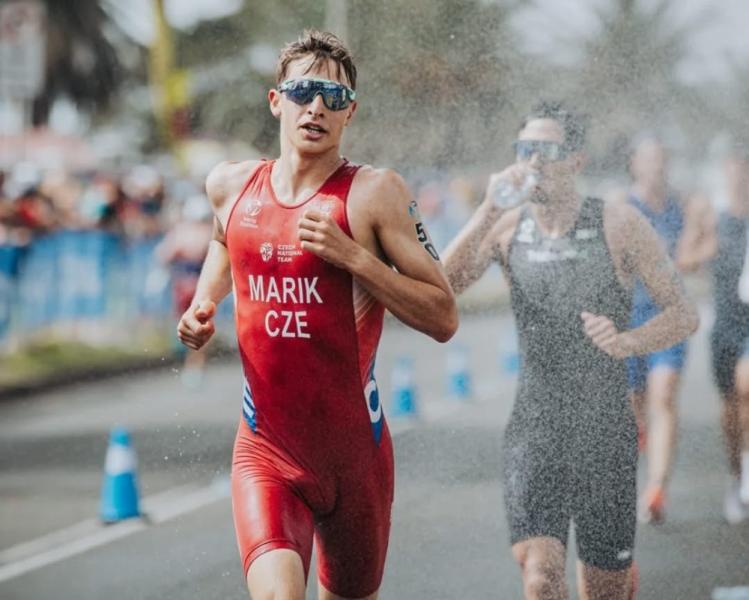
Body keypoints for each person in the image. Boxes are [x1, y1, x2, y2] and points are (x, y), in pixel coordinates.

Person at [177, 30, 458, 600]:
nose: (317, 107)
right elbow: (225, 241)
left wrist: (355, 258)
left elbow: (443, 315)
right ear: (276, 101)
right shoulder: (230, 185)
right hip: (266, 451)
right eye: (304, 92)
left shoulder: (375, 194)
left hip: (356, 461)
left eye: (334, 97)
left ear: (350, 113)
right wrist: (203, 304)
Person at [443, 101, 698, 600]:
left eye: (548, 150)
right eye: (525, 149)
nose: (534, 161)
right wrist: (488, 207)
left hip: (604, 435)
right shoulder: (507, 226)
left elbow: (683, 313)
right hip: (534, 431)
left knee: (602, 591)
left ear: (576, 160)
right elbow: (441, 287)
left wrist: (628, 341)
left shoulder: (618, 224)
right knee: (540, 578)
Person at [625, 135, 716, 524]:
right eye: (649, 160)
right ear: (634, 164)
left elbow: (696, 255)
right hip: (627, 317)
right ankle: (641, 440)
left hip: (669, 316)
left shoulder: (683, 208)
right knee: (634, 403)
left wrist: (699, 234)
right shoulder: (620, 208)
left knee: (663, 394)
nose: (656, 167)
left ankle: (657, 488)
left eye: (661, 160)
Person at [710, 141, 749, 524]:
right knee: (730, 408)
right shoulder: (713, 218)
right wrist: (708, 248)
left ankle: (747, 476)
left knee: (747, 387)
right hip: (724, 325)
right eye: (734, 169)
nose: (739, 177)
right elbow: (684, 258)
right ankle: (736, 476)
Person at [156, 194, 213, 387]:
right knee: (189, 325)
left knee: (198, 326)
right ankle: (191, 364)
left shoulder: (199, 233)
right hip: (186, 285)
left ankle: (194, 366)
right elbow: (164, 255)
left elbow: (165, 255)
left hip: (197, 286)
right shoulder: (189, 232)